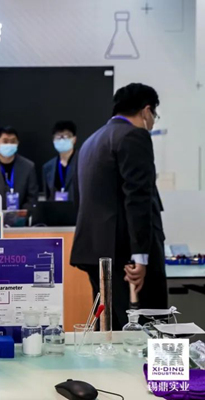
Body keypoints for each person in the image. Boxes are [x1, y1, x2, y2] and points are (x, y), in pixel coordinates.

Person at [71, 83, 166, 330]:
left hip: (96, 252)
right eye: (153, 116)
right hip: (126, 256)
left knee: (109, 331)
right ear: (146, 111)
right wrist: (140, 257)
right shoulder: (133, 136)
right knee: (146, 330)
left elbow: (82, 199)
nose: (152, 122)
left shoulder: (91, 142)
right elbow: (137, 198)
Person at [0, 126, 39, 210]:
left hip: (21, 215)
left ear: (17, 144)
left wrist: (21, 214)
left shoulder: (28, 166)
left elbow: (32, 197)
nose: (9, 144)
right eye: (5, 141)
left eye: (13, 141)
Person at [42, 121, 79, 202]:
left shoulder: (83, 163)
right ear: (53, 140)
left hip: (78, 208)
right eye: (58, 137)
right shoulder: (48, 167)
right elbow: (48, 196)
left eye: (66, 136)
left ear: (74, 139)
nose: (62, 140)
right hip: (56, 208)